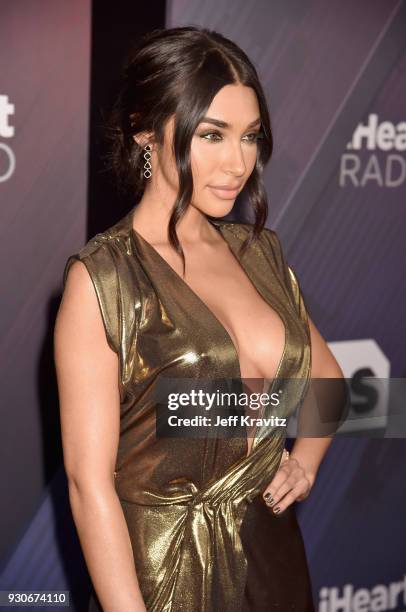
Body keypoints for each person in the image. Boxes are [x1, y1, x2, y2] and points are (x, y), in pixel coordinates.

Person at [54, 26, 346, 612]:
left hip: (273, 556)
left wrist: (305, 463)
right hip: (162, 574)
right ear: (146, 133)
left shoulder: (259, 253)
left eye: (250, 137)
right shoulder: (104, 278)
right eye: (211, 135)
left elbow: (331, 381)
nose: (238, 163)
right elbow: (90, 486)